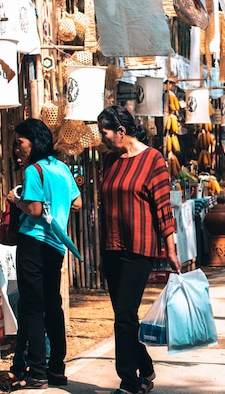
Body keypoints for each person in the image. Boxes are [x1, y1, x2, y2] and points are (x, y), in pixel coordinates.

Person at [97, 105, 182, 394]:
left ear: (121, 131)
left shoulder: (153, 159)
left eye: (105, 132)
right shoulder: (110, 160)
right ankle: (145, 369)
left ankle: (129, 382)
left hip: (139, 248)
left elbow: (163, 207)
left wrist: (170, 249)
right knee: (126, 318)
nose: (102, 138)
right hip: (112, 247)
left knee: (123, 315)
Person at [4, 119, 82, 390]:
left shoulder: (34, 170)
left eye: (20, 142)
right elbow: (78, 202)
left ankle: (37, 372)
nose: (18, 149)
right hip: (56, 246)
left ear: (33, 143)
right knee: (52, 305)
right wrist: (57, 202)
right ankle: (57, 369)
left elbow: (34, 210)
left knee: (33, 307)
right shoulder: (61, 168)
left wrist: (17, 200)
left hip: (34, 243)